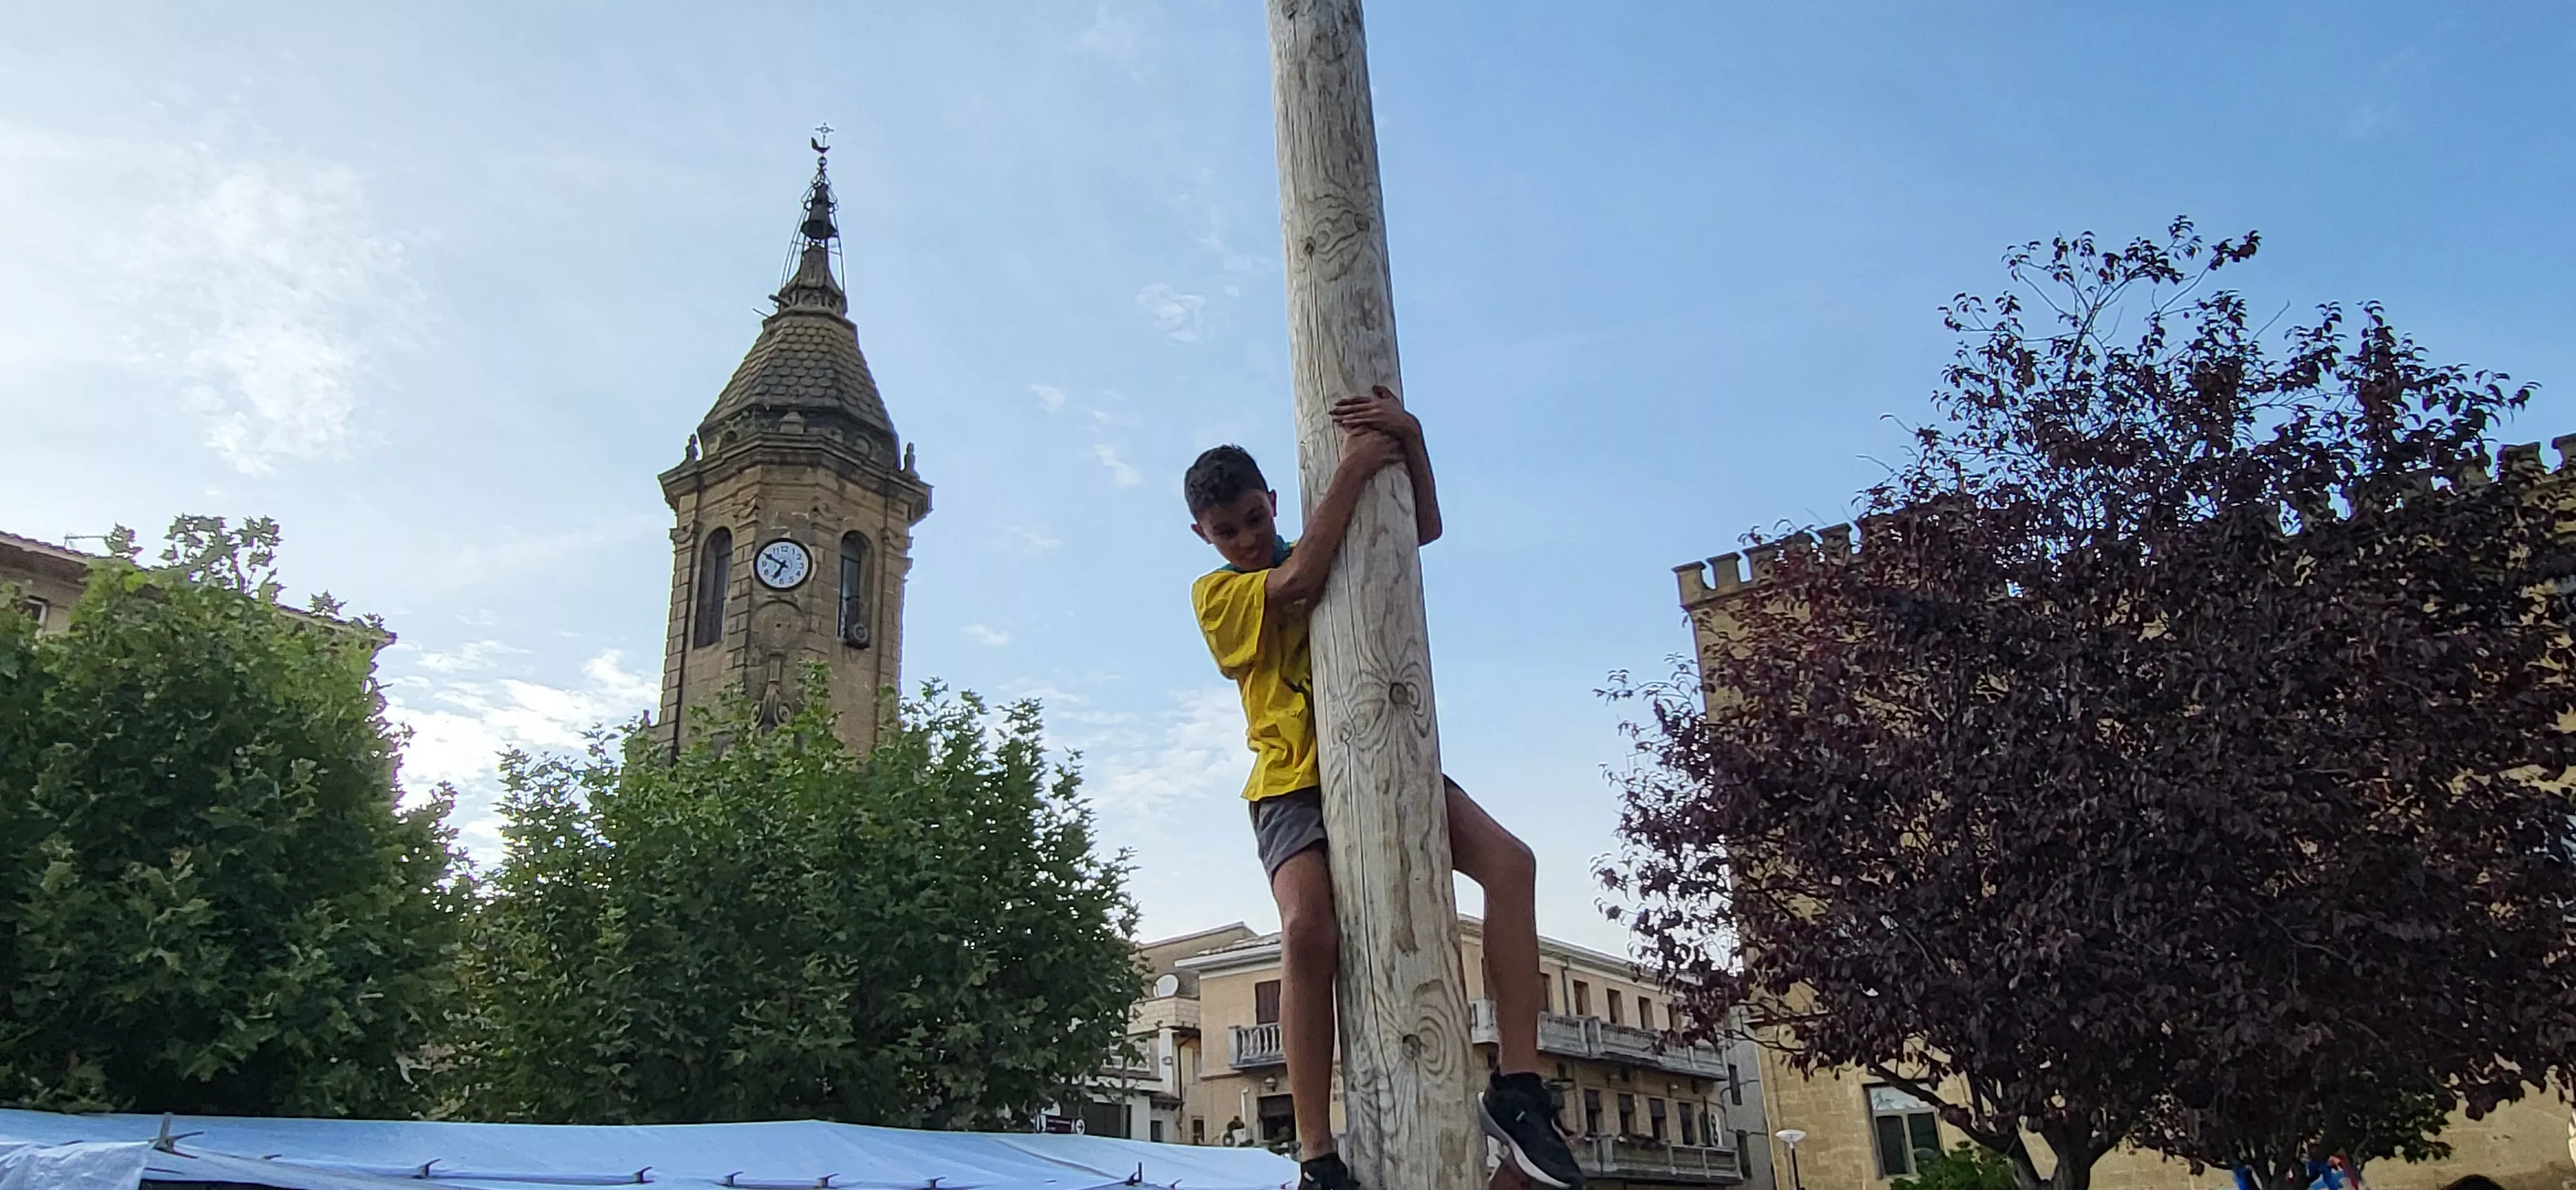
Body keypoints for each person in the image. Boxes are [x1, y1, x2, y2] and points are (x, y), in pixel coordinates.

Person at [1182, 387, 1586, 1190]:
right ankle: (1314, 1152)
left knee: (1512, 865)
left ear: (1271, 501)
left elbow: (1419, 528)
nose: (1246, 540)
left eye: (1255, 520)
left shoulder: (1338, 532)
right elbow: (1296, 582)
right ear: (1203, 535)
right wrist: (1358, 464)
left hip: (1389, 754)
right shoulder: (1218, 593)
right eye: (1227, 532)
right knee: (1306, 934)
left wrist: (1410, 438)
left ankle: (1517, 1084)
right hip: (1293, 783)